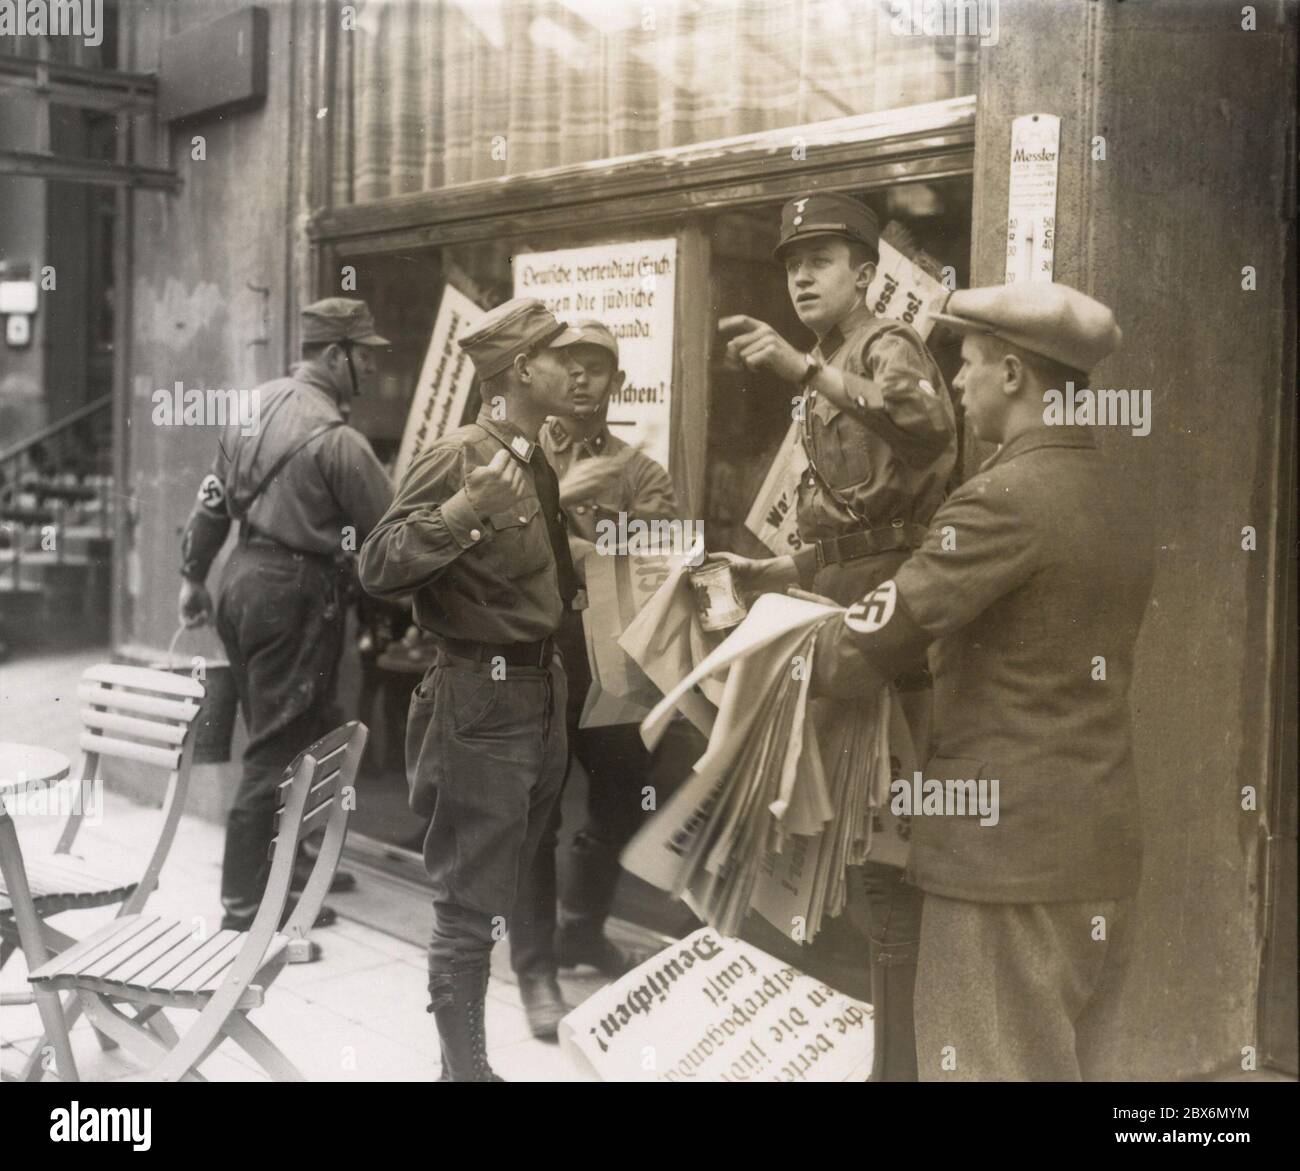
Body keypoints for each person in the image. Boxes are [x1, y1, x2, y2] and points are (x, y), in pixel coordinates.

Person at [812, 281, 1153, 1080]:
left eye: (965, 365)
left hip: (1005, 867)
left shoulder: (1001, 497)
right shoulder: (1117, 495)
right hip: (1099, 849)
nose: (954, 384)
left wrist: (762, 647)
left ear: (1012, 374)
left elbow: (875, 639)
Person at [716, 192, 957, 1080]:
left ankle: (902, 1066)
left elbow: (928, 426)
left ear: (866, 275)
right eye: (791, 263)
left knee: (891, 861)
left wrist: (800, 371)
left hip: (900, 639)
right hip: (845, 618)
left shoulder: (885, 348)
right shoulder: (826, 365)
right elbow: (839, 534)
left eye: (821, 260)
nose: (802, 276)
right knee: (852, 852)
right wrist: (765, 574)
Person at [358, 297, 583, 1082]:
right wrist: (463, 511)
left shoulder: (531, 453)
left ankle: (462, 1069)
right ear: (521, 368)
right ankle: (468, 1075)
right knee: (467, 902)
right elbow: (378, 562)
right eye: (561, 356)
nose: (575, 370)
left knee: (501, 880)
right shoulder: (463, 455)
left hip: (536, 691)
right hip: (480, 699)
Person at [177, 297, 394, 933]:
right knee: (276, 750)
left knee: (308, 731)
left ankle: (291, 869)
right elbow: (391, 535)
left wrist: (194, 576)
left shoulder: (249, 408)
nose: (374, 370)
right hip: (297, 592)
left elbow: (212, 501)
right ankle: (245, 912)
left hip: (240, 581)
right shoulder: (340, 441)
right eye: (366, 357)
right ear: (334, 355)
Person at [508, 319, 679, 1039]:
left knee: (621, 795)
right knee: (535, 814)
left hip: (614, 657)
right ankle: (535, 969)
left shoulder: (641, 468)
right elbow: (503, 542)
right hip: (539, 652)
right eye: (570, 366)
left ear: (616, 382)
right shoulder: (519, 456)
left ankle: (581, 926)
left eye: (597, 368)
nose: (582, 380)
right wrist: (576, 534)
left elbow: (663, 550)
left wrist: (583, 539)